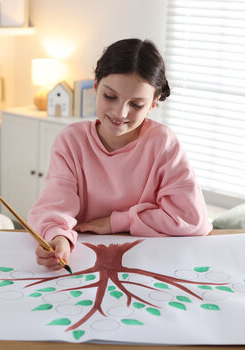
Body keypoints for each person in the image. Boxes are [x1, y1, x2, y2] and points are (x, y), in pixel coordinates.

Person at [28, 38, 212, 271]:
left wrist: (117, 222)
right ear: (96, 86)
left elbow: (192, 220)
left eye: (136, 104)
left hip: (149, 263)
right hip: (84, 262)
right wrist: (58, 237)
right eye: (110, 97)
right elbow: (55, 205)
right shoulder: (71, 140)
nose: (120, 112)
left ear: (153, 104)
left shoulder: (164, 143)